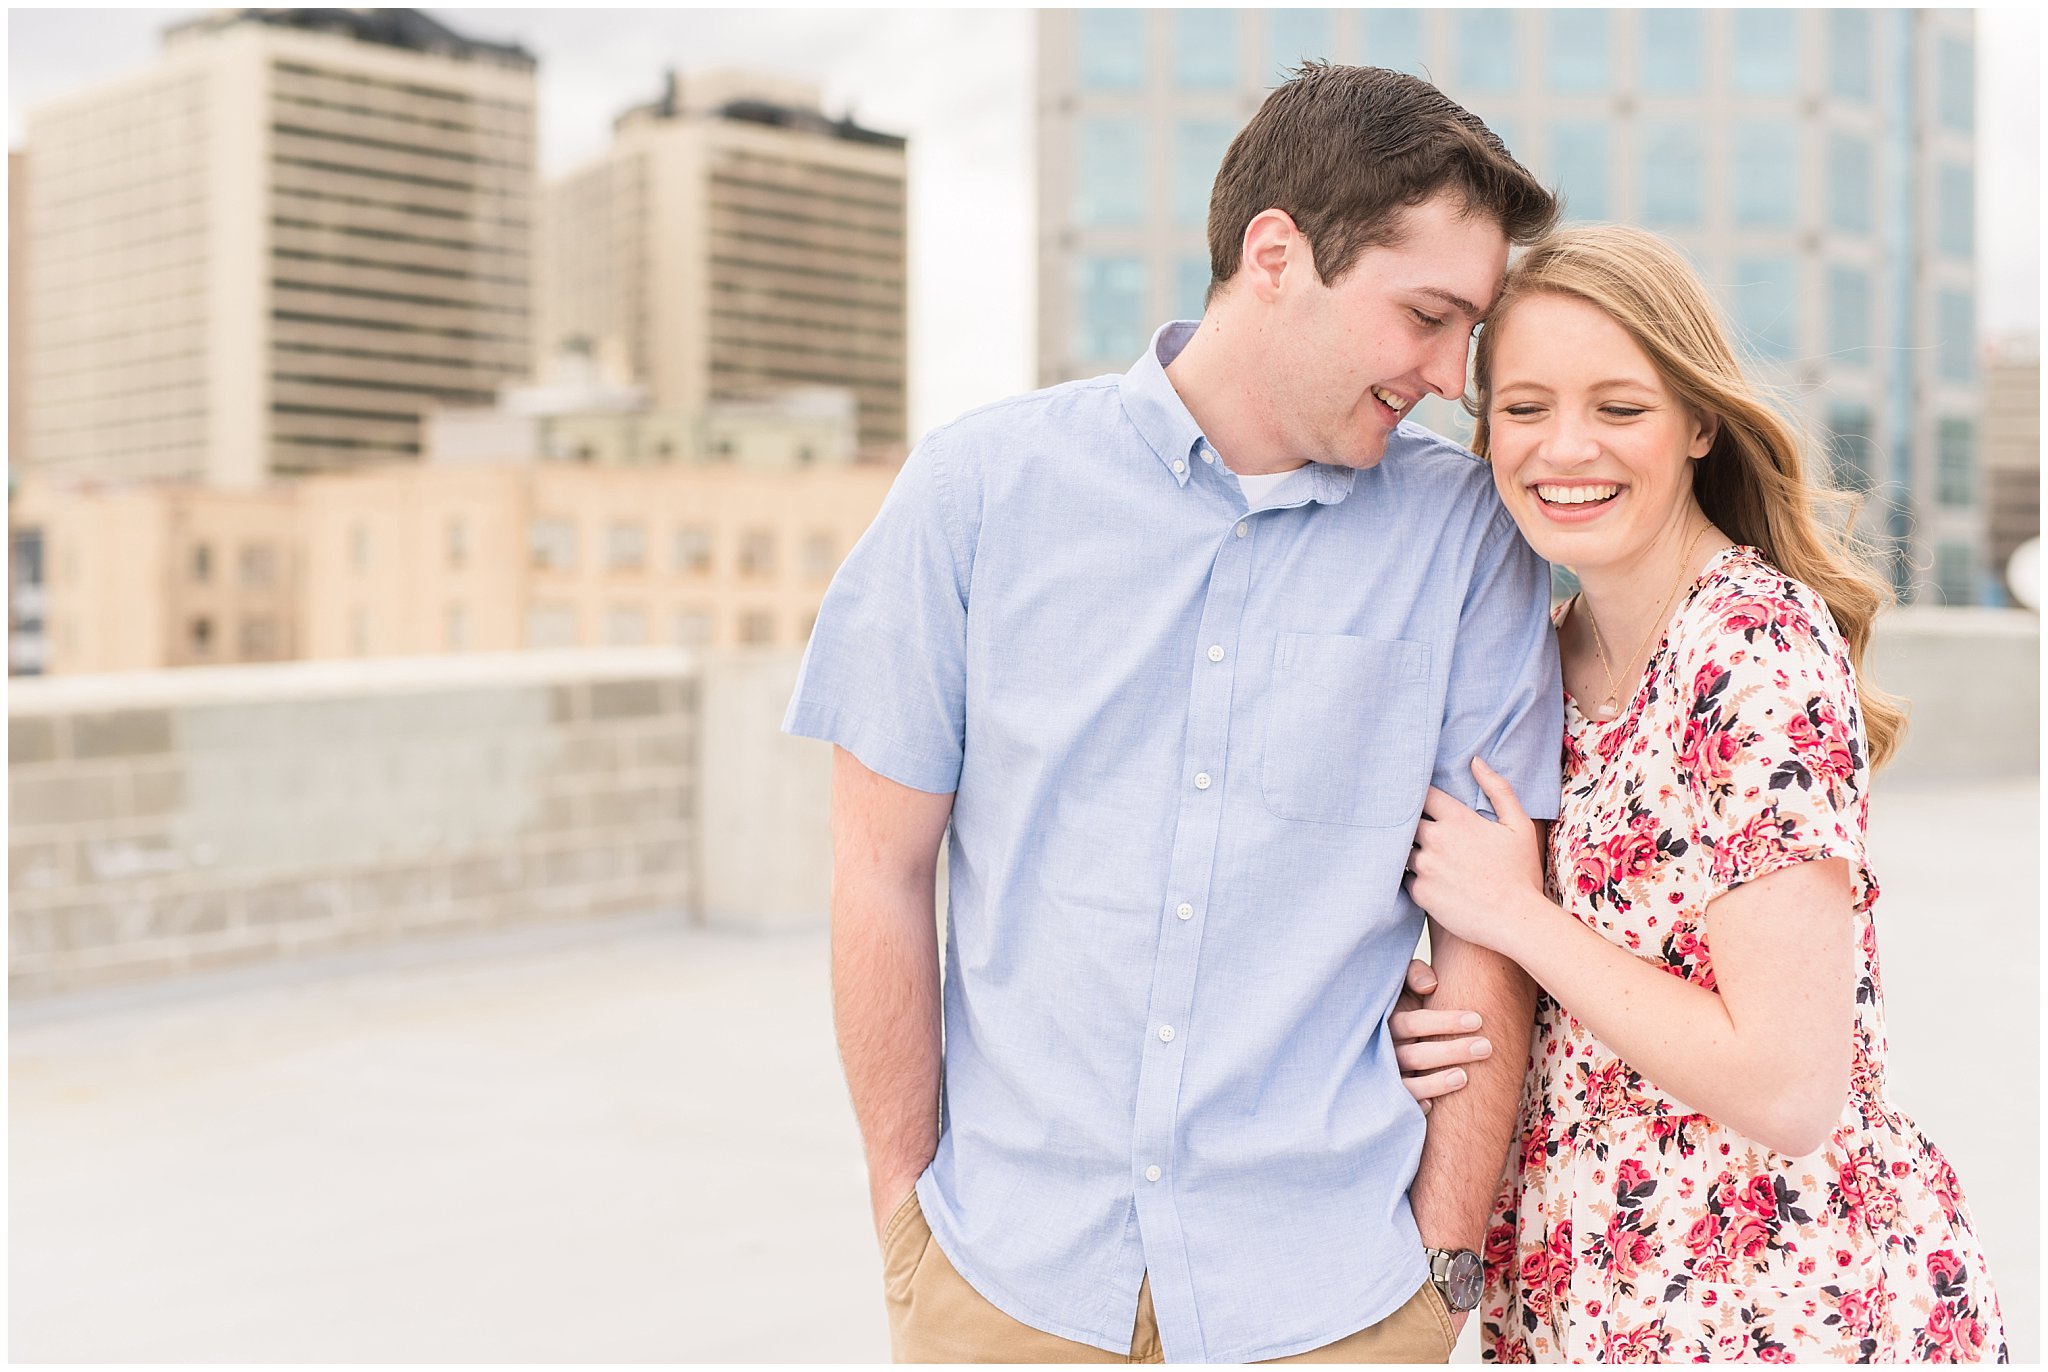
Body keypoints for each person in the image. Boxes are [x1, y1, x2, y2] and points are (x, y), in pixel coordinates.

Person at [784, 63, 1563, 1362]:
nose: (1450, 375)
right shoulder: (978, 492)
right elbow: (879, 871)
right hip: (1006, 1282)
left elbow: (1486, 922)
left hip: (1336, 1302)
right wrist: (905, 1229)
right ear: (1276, 255)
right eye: (1427, 316)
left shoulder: (1467, 535)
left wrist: (1440, 1263)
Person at [1398, 224, 2009, 1362]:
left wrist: (1516, 917)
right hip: (1591, 1288)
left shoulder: (1748, 650)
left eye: (1617, 407)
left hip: (1767, 1298)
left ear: (1696, 423)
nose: (1562, 446)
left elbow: (1786, 1084)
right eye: (1522, 408)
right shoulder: (1541, 651)